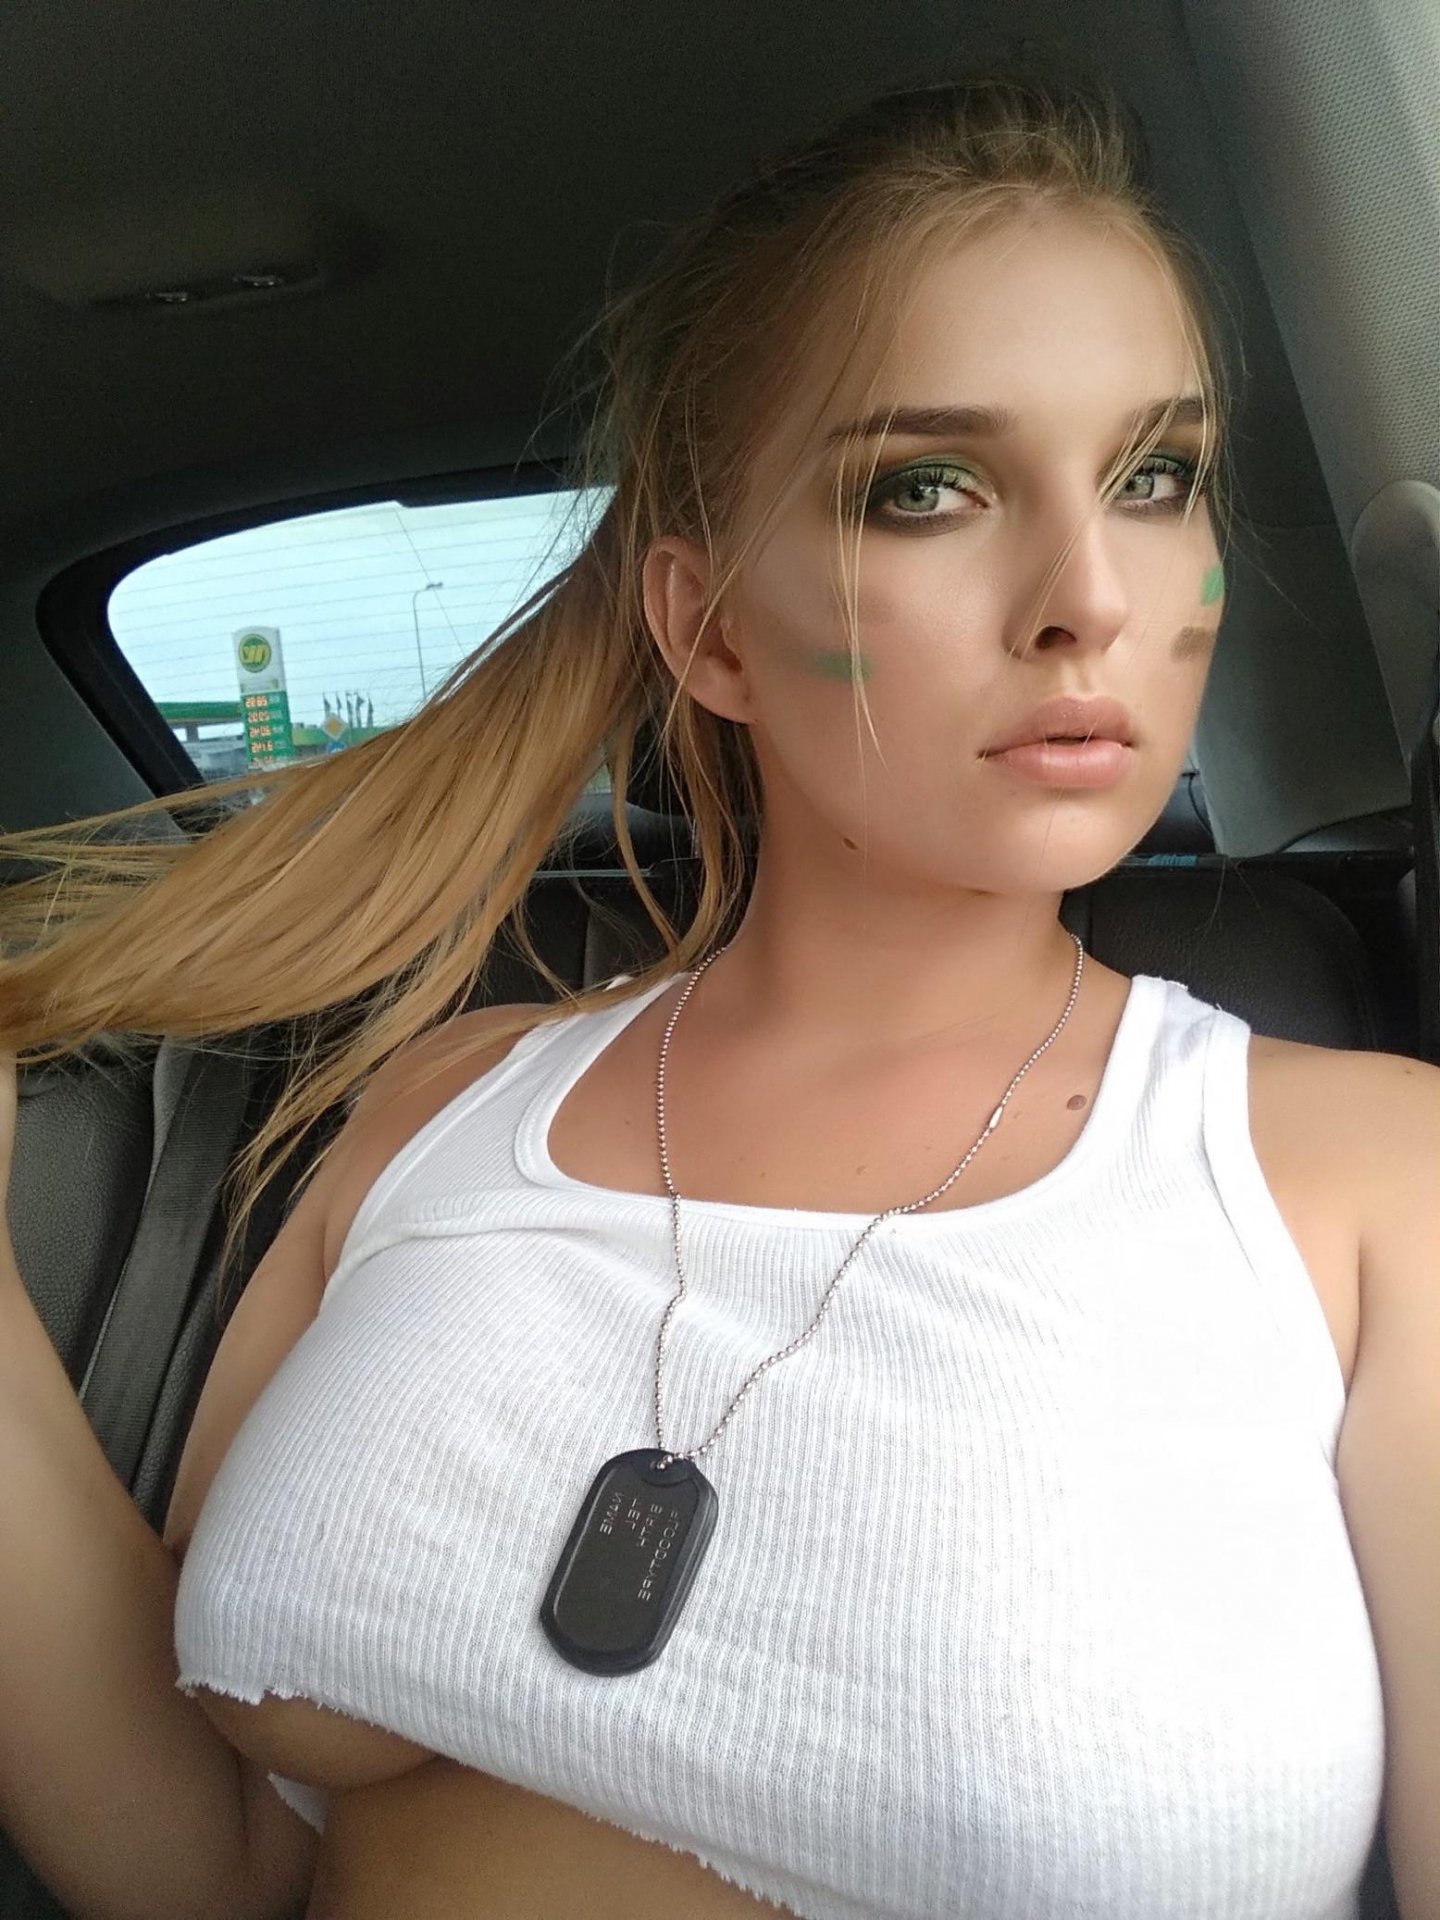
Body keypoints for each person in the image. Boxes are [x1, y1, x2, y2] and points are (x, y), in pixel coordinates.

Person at [1, 66, 1434, 1920]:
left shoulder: (1371, 1186)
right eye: (928, 489)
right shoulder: (436, 1104)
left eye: (1154, 477)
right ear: (708, 627)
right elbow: (219, 1859)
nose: (1089, 594)